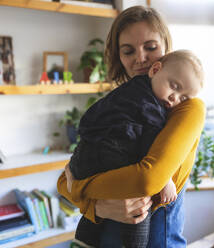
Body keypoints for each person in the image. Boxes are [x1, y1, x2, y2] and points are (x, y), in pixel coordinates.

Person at [57, 5, 206, 248]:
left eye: (151, 47)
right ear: (119, 56)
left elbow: (148, 179)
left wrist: (83, 192)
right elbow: (66, 178)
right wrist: (97, 206)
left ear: (166, 46)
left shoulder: (186, 107)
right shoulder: (119, 102)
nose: (140, 58)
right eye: (128, 51)